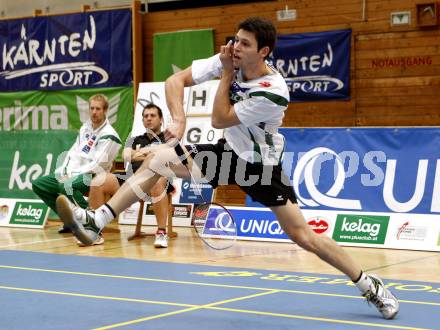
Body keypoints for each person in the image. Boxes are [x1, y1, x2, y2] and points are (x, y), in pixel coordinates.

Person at [56, 17, 399, 319]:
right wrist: (178, 117)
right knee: (159, 158)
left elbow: (220, 118)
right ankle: (96, 221)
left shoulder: (272, 91)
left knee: (303, 236)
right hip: (227, 153)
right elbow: (173, 83)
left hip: (259, 167)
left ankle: (369, 284)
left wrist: (225, 74)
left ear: (263, 52)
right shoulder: (228, 59)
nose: (235, 47)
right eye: (235, 40)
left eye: (244, 44)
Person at [32, 93, 121, 244]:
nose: (94, 112)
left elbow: (97, 164)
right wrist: (65, 171)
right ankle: (69, 221)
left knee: (67, 184)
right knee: (39, 185)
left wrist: (72, 175)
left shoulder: (110, 135)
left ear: (105, 110)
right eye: (91, 108)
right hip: (76, 174)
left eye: (98, 109)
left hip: (96, 177)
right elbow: (73, 153)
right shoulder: (85, 128)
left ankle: (91, 222)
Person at [87, 103, 174, 248]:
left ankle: (161, 232)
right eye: (145, 116)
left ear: (161, 120)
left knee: (158, 180)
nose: (148, 119)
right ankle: (95, 232)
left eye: (152, 116)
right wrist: (150, 153)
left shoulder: (168, 138)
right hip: (132, 178)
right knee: (99, 181)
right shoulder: (134, 139)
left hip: (158, 178)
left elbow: (165, 155)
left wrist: (138, 154)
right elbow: (126, 156)